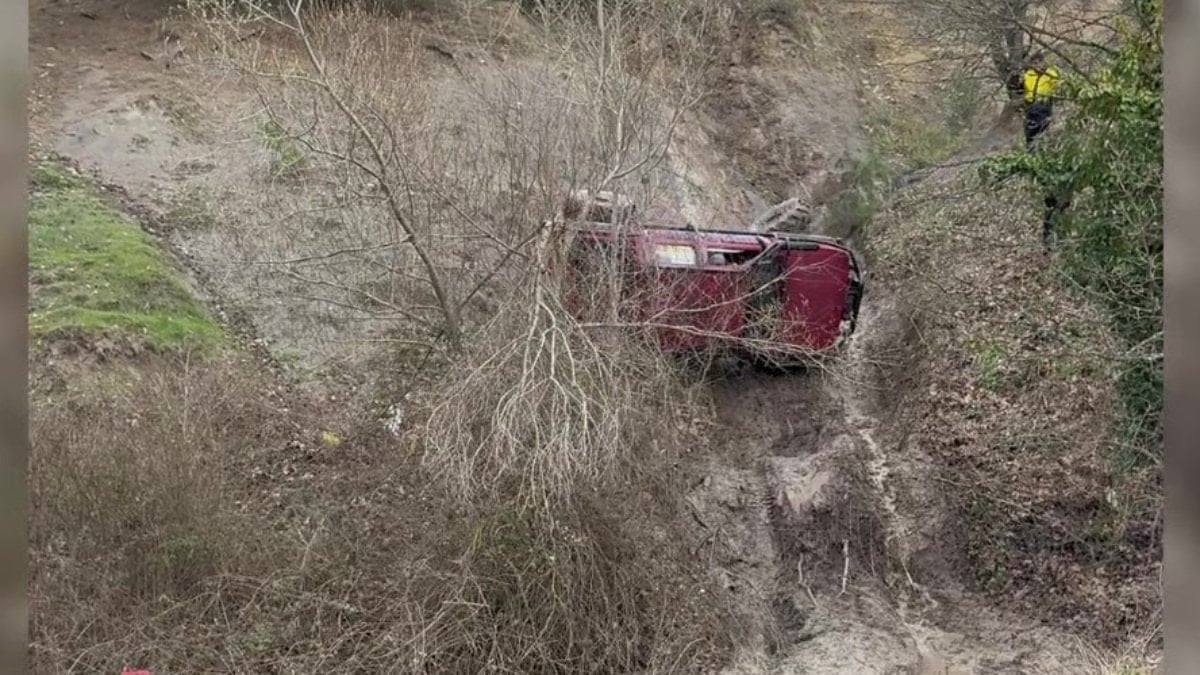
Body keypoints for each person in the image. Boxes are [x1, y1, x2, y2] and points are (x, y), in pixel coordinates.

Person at [1022, 52, 1061, 151]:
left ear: (1043, 62)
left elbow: (1058, 87)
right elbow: (1022, 88)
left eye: (1038, 63)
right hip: (1030, 106)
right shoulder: (1029, 74)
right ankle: (1030, 152)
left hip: (1043, 105)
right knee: (1030, 131)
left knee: (1041, 129)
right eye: (1034, 63)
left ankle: (1042, 151)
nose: (1036, 66)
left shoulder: (1051, 74)